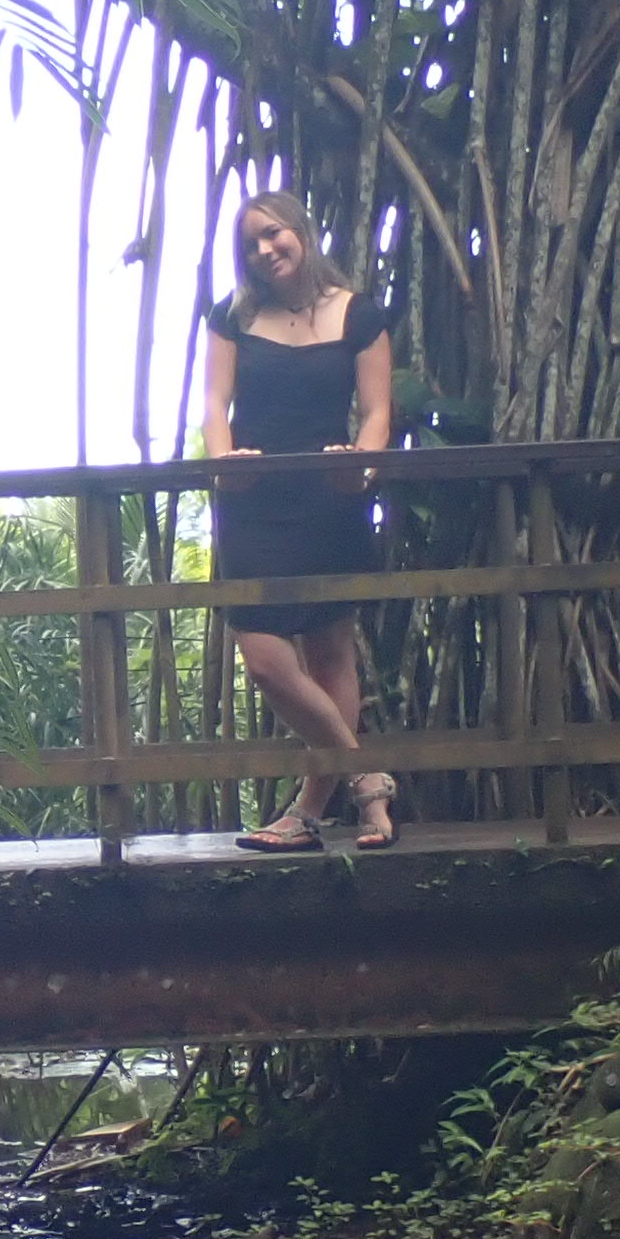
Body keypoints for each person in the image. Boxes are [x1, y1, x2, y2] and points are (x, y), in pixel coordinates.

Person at [203, 193, 394, 852]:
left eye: (273, 235)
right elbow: (214, 402)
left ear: (302, 232)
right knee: (264, 660)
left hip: (329, 496)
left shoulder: (358, 315)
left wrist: (361, 470)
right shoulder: (233, 317)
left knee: (331, 652)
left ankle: (310, 814)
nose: (264, 251)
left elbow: (375, 412)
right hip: (253, 499)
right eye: (251, 244)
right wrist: (223, 463)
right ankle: (366, 778)